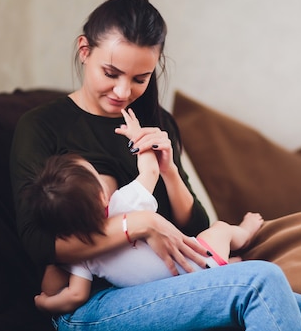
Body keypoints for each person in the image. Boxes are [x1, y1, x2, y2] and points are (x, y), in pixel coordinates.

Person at [10, 0, 301, 330]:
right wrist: (141, 224)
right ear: (85, 51)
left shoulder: (157, 122)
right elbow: (38, 244)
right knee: (259, 281)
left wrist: (169, 170)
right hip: (94, 301)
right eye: (111, 73)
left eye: (139, 78)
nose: (123, 91)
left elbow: (193, 228)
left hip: (163, 284)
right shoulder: (42, 127)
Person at [23, 107, 264, 313]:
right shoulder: (124, 205)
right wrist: (138, 138)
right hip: (201, 263)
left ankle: (229, 265)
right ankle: (244, 233)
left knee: (210, 255)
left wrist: (45, 302)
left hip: (178, 292)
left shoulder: (82, 256)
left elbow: (75, 295)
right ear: (101, 196)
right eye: (96, 175)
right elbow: (150, 171)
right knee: (220, 228)